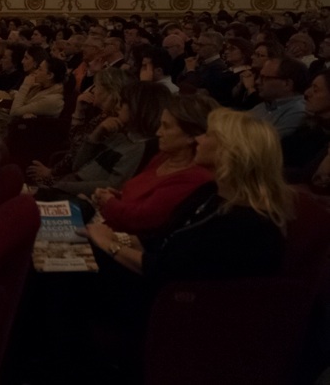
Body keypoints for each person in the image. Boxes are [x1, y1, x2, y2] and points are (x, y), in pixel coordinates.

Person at [85, 108, 291, 284]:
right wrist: (112, 237)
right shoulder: (209, 192)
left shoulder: (249, 224)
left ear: (230, 152)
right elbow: (162, 239)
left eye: (209, 135)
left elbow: (166, 269)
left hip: (170, 301)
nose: (199, 138)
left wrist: (109, 244)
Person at [89, 94, 216, 235]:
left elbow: (142, 219)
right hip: (107, 227)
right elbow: (141, 199)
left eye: (166, 127)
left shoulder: (195, 177)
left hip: (122, 240)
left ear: (190, 136)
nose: (158, 132)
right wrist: (115, 197)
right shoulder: (163, 156)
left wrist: (109, 202)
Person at [29, 81, 169, 197]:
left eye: (123, 103)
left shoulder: (139, 148)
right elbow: (78, 165)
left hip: (79, 195)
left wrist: (60, 187)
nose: (118, 107)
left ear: (139, 108)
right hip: (69, 184)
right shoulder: (119, 135)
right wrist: (96, 135)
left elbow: (113, 186)